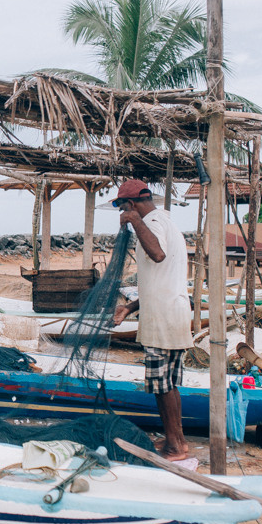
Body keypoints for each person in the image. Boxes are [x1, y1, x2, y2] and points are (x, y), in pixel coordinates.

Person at [111, 180, 192, 461]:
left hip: (165, 317)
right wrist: (129, 308)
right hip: (168, 312)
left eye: (122, 207)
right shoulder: (164, 222)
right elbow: (159, 281)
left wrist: (134, 220)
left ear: (132, 204)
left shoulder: (154, 222)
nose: (121, 213)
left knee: (162, 385)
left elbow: (157, 254)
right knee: (167, 383)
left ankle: (175, 446)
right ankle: (177, 441)